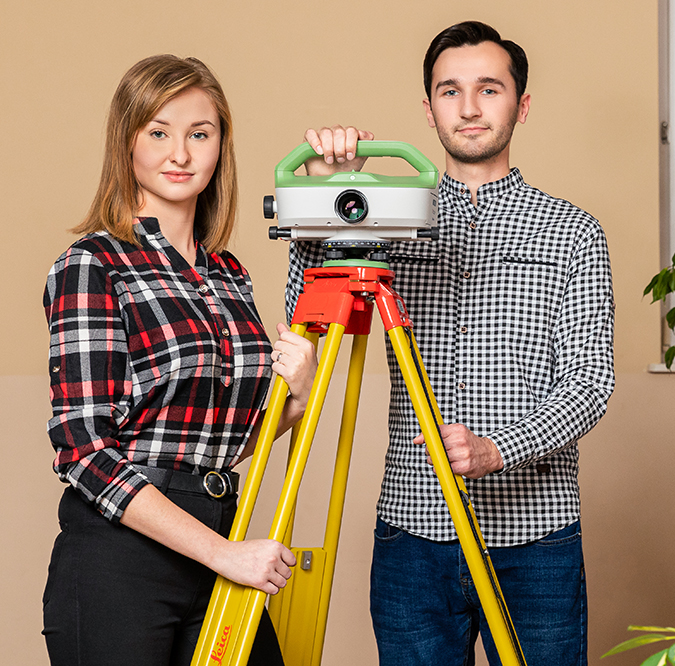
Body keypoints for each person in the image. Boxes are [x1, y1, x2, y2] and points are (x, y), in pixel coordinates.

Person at [285, 21, 615, 666]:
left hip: (535, 540)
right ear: (429, 108)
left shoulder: (575, 232)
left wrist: (499, 449)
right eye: (450, 91)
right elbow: (307, 316)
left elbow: (591, 385)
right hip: (412, 537)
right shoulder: (389, 215)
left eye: (488, 89)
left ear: (521, 105)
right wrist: (328, 192)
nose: (468, 108)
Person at [42, 54, 317, 666]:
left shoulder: (228, 274)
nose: (181, 154)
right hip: (120, 559)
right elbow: (83, 451)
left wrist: (293, 401)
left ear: (221, 145)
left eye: (200, 133)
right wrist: (224, 555)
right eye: (158, 132)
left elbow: (217, 440)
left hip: (220, 533)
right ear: (127, 142)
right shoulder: (94, 265)